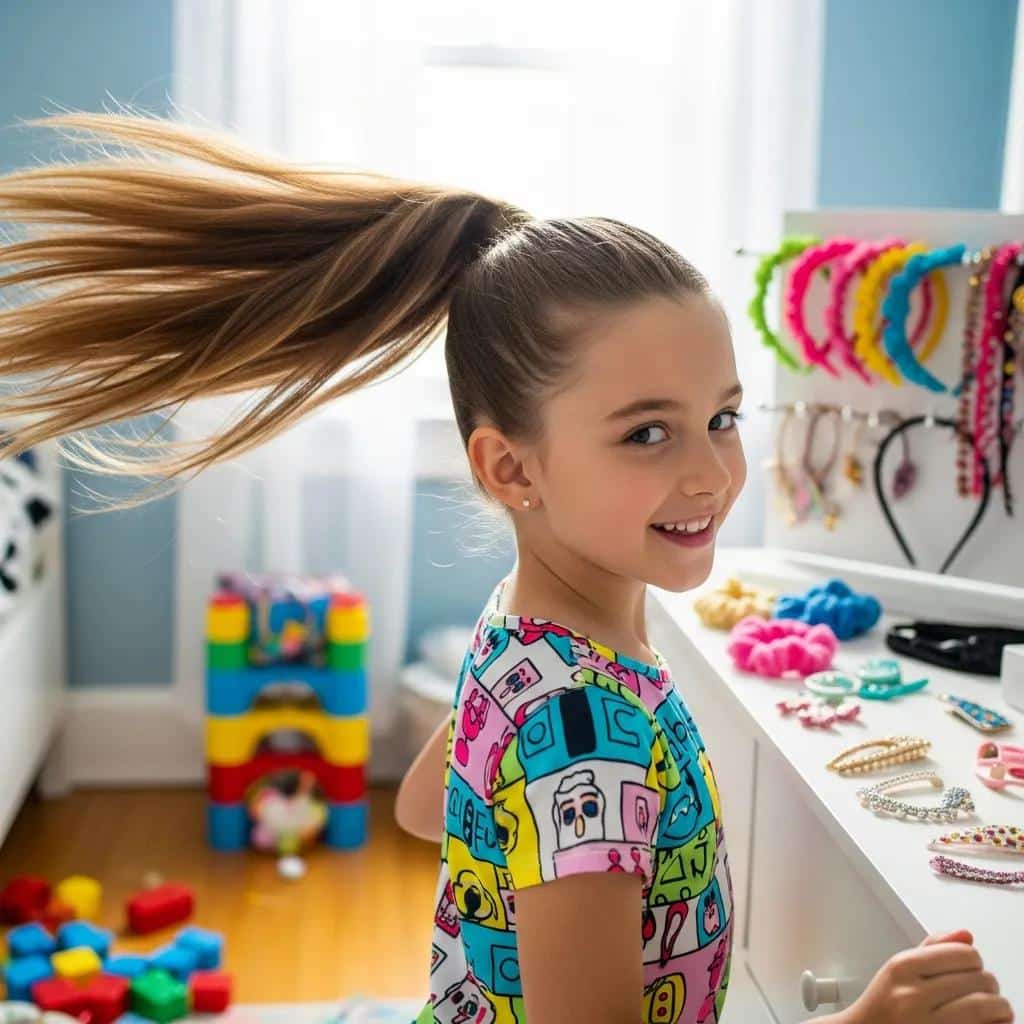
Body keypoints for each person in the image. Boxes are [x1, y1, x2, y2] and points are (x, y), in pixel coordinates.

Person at [0, 112, 1011, 1024]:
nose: (711, 470)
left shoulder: (530, 628)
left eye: (721, 417)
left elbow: (422, 803)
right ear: (507, 466)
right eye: (647, 433)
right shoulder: (581, 723)